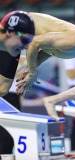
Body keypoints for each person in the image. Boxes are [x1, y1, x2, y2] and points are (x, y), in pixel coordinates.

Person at [0, 11, 35, 154]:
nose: (26, 47)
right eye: (25, 41)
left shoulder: (12, 50)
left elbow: (2, 89)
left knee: (7, 135)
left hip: (11, 96)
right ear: (9, 32)